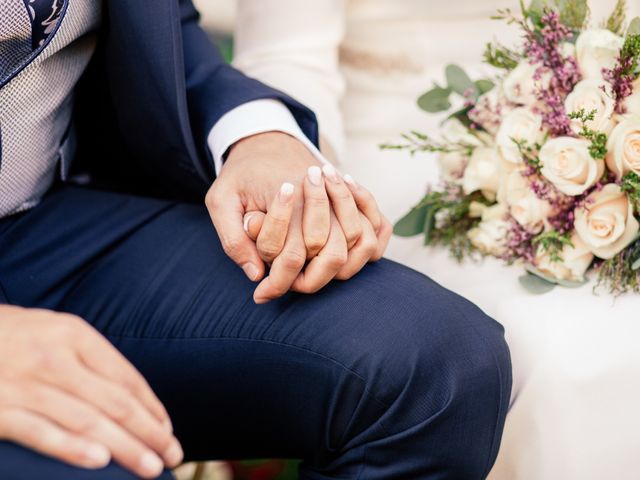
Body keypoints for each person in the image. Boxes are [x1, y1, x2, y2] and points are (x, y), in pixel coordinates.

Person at [0, 1, 511, 479]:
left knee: (435, 363)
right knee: (95, 457)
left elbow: (158, 26)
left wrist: (257, 135)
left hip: (46, 225)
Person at [224, 1, 640, 478]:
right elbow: (284, 59)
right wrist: (313, 187)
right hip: (401, 154)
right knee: (564, 351)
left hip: (596, 114)